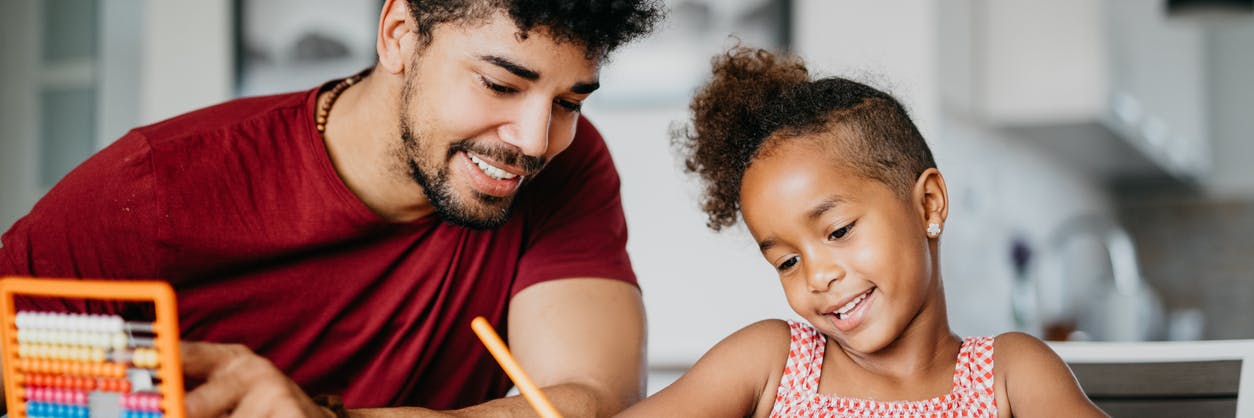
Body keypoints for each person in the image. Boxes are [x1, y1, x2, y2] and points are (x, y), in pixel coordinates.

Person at [0, 0, 664, 416]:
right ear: (400, 35)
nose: (536, 139)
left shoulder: (566, 168)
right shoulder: (153, 183)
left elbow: (588, 399)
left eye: (571, 101)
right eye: (499, 83)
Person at [618, 47, 1108, 418]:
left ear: (929, 204)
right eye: (787, 261)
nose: (817, 276)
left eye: (838, 231)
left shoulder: (1010, 374)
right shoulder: (770, 363)